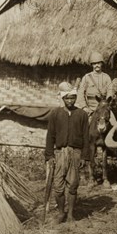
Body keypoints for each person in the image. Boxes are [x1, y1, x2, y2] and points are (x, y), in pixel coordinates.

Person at [45, 82, 90, 224]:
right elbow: (50, 135)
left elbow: (86, 137)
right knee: (58, 186)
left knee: (73, 184)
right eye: (67, 98)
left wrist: (84, 156)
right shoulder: (55, 114)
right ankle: (61, 213)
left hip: (75, 153)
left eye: (73, 98)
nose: (70, 101)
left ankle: (70, 214)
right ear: (63, 99)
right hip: (60, 153)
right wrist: (50, 155)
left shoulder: (82, 115)